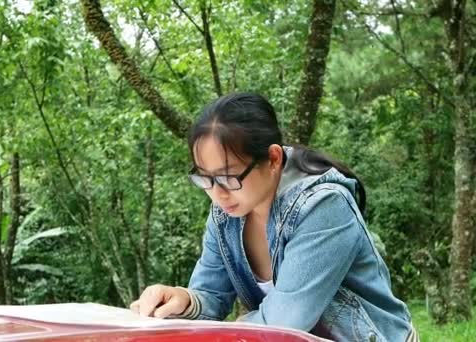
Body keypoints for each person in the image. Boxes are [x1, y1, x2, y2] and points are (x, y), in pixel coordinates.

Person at [129, 92, 417, 342]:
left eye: (229, 177)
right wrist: (184, 301)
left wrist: (221, 331)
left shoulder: (324, 206)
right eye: (205, 179)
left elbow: (284, 323)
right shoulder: (225, 213)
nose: (217, 194)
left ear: (274, 159)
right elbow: (211, 295)